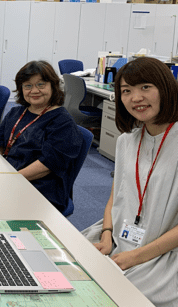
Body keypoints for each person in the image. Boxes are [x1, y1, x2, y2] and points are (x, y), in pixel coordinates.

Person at [82, 57, 178, 307]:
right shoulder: (128, 141)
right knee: (67, 266)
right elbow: (117, 196)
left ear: (166, 88)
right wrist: (106, 234)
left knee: (106, 297)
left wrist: (134, 256)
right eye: (126, 91)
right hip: (117, 237)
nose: (135, 98)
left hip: (162, 252)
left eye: (145, 87)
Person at [0, 60, 82, 213]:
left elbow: (48, 165)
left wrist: (11, 178)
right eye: (28, 86)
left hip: (41, 188)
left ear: (53, 86)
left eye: (41, 84)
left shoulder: (62, 122)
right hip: (11, 176)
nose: (34, 90)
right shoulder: (16, 112)